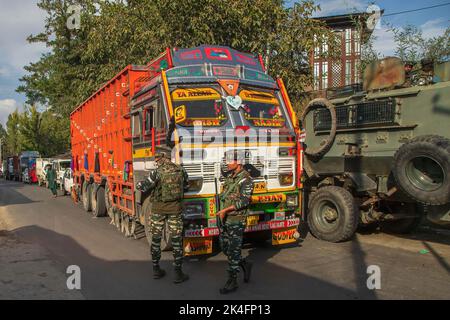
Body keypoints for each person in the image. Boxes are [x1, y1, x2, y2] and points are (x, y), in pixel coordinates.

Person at [136, 148, 189, 283]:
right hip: (175, 210)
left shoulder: (156, 173)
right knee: (177, 241)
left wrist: (139, 183)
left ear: (162, 158)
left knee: (156, 240)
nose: (156, 161)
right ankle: (178, 273)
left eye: (157, 158)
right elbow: (186, 187)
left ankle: (156, 270)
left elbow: (143, 187)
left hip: (158, 211)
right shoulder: (180, 170)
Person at [216, 150, 254, 294]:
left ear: (238, 162)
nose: (227, 163)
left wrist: (225, 210)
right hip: (225, 219)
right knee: (225, 247)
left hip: (237, 220)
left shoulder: (246, 179)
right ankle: (244, 264)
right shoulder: (231, 177)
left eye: (229, 161)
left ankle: (232, 282)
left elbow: (244, 201)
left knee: (233, 251)